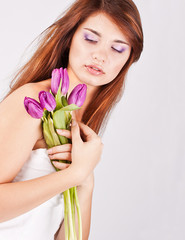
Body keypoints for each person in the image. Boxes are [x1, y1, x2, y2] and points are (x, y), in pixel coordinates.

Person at [0, 0, 143, 239]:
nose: (100, 56)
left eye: (117, 49)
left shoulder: (83, 121)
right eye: (90, 39)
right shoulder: (34, 100)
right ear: (70, 38)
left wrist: (86, 183)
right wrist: (74, 174)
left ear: (128, 59)